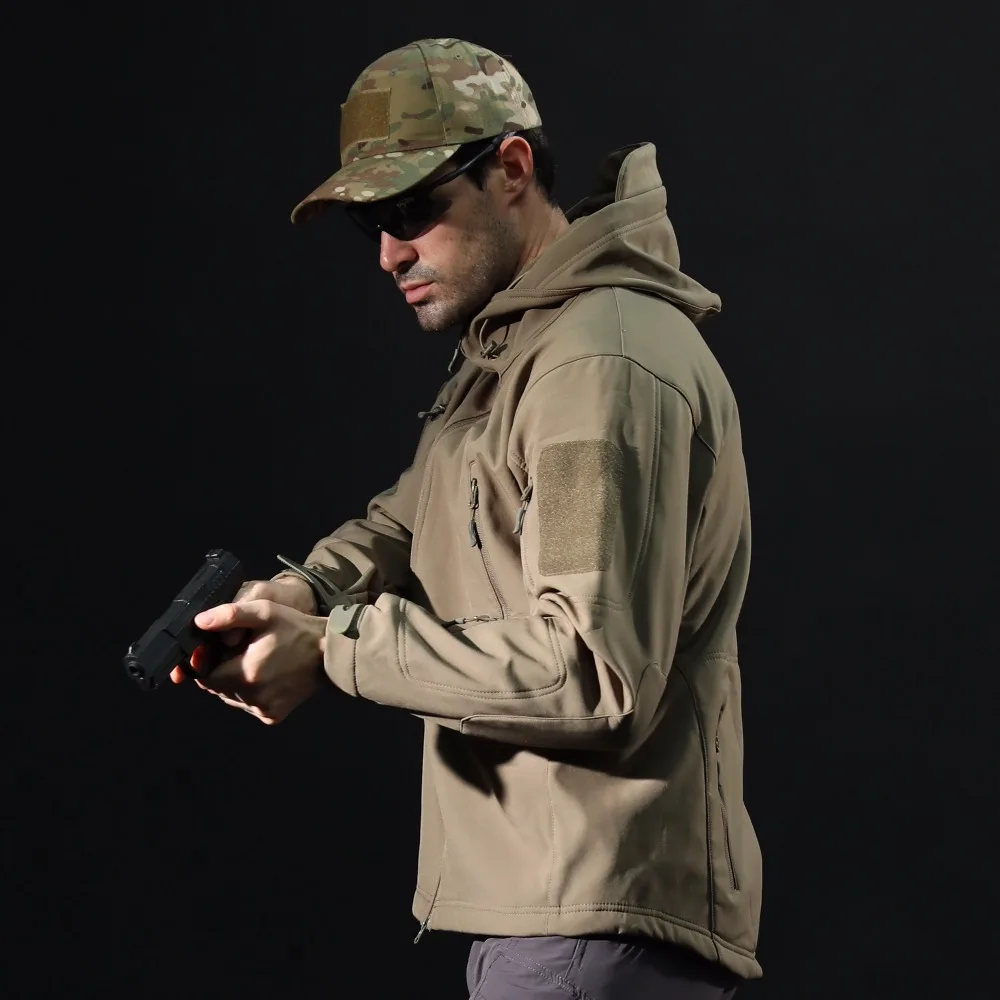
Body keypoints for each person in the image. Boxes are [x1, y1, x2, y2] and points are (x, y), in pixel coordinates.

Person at [172, 37, 763, 999]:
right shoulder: (518, 349)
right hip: (552, 919)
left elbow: (590, 671)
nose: (389, 252)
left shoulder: (594, 365)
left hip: (590, 931)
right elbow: (411, 518)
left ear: (512, 169)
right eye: (370, 222)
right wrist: (301, 592)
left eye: (413, 210)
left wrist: (332, 650)